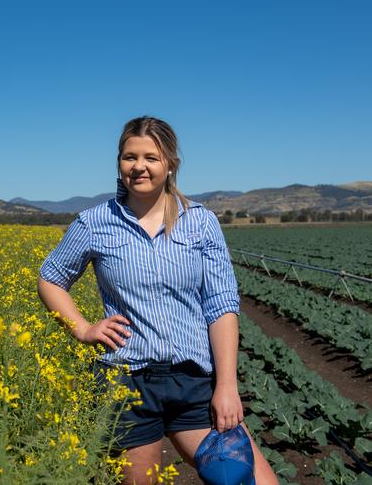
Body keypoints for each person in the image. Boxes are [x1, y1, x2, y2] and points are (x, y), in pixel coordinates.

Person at [37, 116, 278, 485]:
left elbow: (221, 306)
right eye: (129, 157)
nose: (139, 167)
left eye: (151, 157)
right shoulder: (94, 222)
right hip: (128, 384)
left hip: (194, 381)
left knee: (255, 480)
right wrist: (84, 329)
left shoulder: (200, 222)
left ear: (170, 164)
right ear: (119, 163)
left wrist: (227, 385)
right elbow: (51, 278)